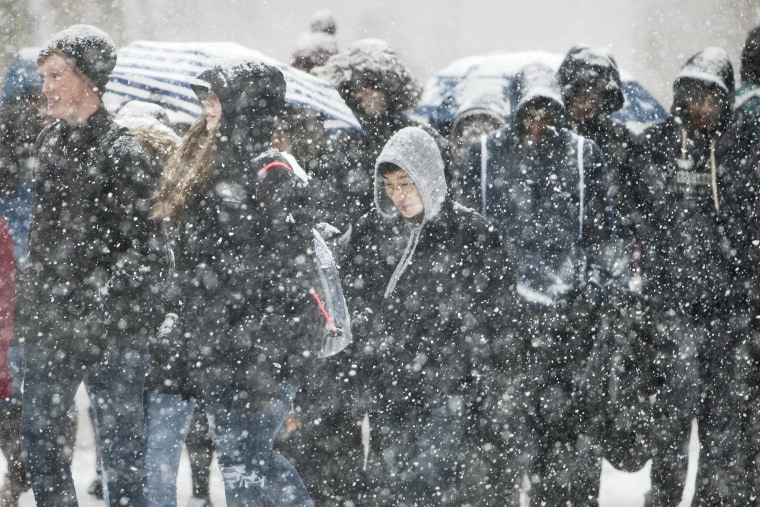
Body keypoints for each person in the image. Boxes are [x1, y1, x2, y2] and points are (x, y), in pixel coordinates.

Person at [148, 59, 325, 506]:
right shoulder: (212, 167)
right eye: (203, 98)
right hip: (223, 350)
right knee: (239, 465)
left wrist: (262, 359)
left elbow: (286, 272)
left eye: (214, 97)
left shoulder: (272, 173)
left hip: (260, 354)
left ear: (242, 107)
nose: (206, 107)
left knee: (249, 463)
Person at [458, 62, 616, 506]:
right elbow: (467, 238)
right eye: (531, 110)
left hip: (568, 322)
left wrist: (590, 296)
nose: (539, 121)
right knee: (498, 444)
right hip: (502, 323)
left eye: (548, 110)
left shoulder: (584, 155)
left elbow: (604, 238)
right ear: (515, 107)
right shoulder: (485, 156)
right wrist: (480, 302)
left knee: (563, 441)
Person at [335, 126, 515, 506]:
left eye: (406, 182)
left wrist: (476, 375)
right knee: (388, 484)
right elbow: (349, 296)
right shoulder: (372, 231)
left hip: (448, 386)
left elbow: (499, 318)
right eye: (388, 185)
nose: (397, 195)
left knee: (431, 485)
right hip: (389, 381)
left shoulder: (472, 234)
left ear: (429, 176)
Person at [16, 24, 155, 506]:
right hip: (52, 328)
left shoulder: (124, 152)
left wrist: (96, 301)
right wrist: (35, 313)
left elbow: (148, 251)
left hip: (113, 331)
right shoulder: (49, 143)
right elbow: (41, 241)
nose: (46, 87)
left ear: (88, 80)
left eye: (56, 75)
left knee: (122, 457)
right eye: (44, 76)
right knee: (38, 443)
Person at [634, 47, 758, 506]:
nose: (700, 107)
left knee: (723, 431)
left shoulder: (746, 150)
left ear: (726, 99)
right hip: (672, 312)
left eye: (711, 97)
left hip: (732, 315)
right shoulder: (653, 147)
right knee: (671, 427)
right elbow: (635, 221)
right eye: (692, 95)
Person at [556, 43, 655, 475]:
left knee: (594, 401)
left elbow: (643, 212)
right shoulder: (551, 145)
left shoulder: (624, 147)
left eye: (594, 94)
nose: (585, 103)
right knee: (557, 407)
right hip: (558, 290)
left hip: (607, 291)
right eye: (578, 93)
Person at [314, 38, 448, 232]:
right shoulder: (343, 143)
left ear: (390, 86)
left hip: (415, 239)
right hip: (362, 244)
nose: (366, 92)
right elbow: (330, 197)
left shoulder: (419, 137)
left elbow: (442, 190)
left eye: (373, 84)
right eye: (358, 86)